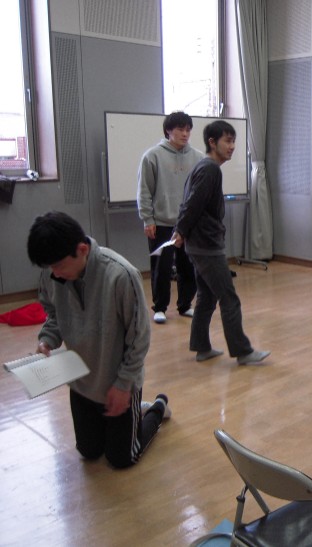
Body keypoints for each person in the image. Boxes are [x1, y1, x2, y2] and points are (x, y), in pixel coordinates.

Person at [27, 211, 171, 469]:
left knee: (123, 458)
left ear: (82, 250)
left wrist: (124, 385)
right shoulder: (53, 273)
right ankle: (131, 415)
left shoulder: (121, 275)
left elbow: (139, 338)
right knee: (89, 451)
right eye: (49, 268)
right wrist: (46, 340)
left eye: (58, 266)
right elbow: (54, 315)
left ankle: (157, 407)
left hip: (118, 382)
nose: (54, 273)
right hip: (82, 383)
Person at [172, 120, 271, 365]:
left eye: (233, 141)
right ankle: (243, 352)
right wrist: (180, 230)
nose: (232, 146)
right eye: (227, 141)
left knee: (207, 297)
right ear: (212, 142)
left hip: (200, 244)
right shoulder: (210, 169)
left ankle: (201, 347)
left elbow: (191, 203)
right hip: (206, 246)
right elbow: (192, 204)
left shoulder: (204, 167)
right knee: (229, 298)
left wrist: (182, 231)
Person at [137, 111, 204, 324]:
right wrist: (148, 219)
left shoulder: (198, 158)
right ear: (168, 131)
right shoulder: (152, 156)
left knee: (188, 266)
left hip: (187, 223)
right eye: (180, 129)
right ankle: (160, 307)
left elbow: (200, 192)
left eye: (188, 130)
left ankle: (185, 305)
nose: (185, 134)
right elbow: (144, 190)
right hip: (161, 222)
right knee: (161, 267)